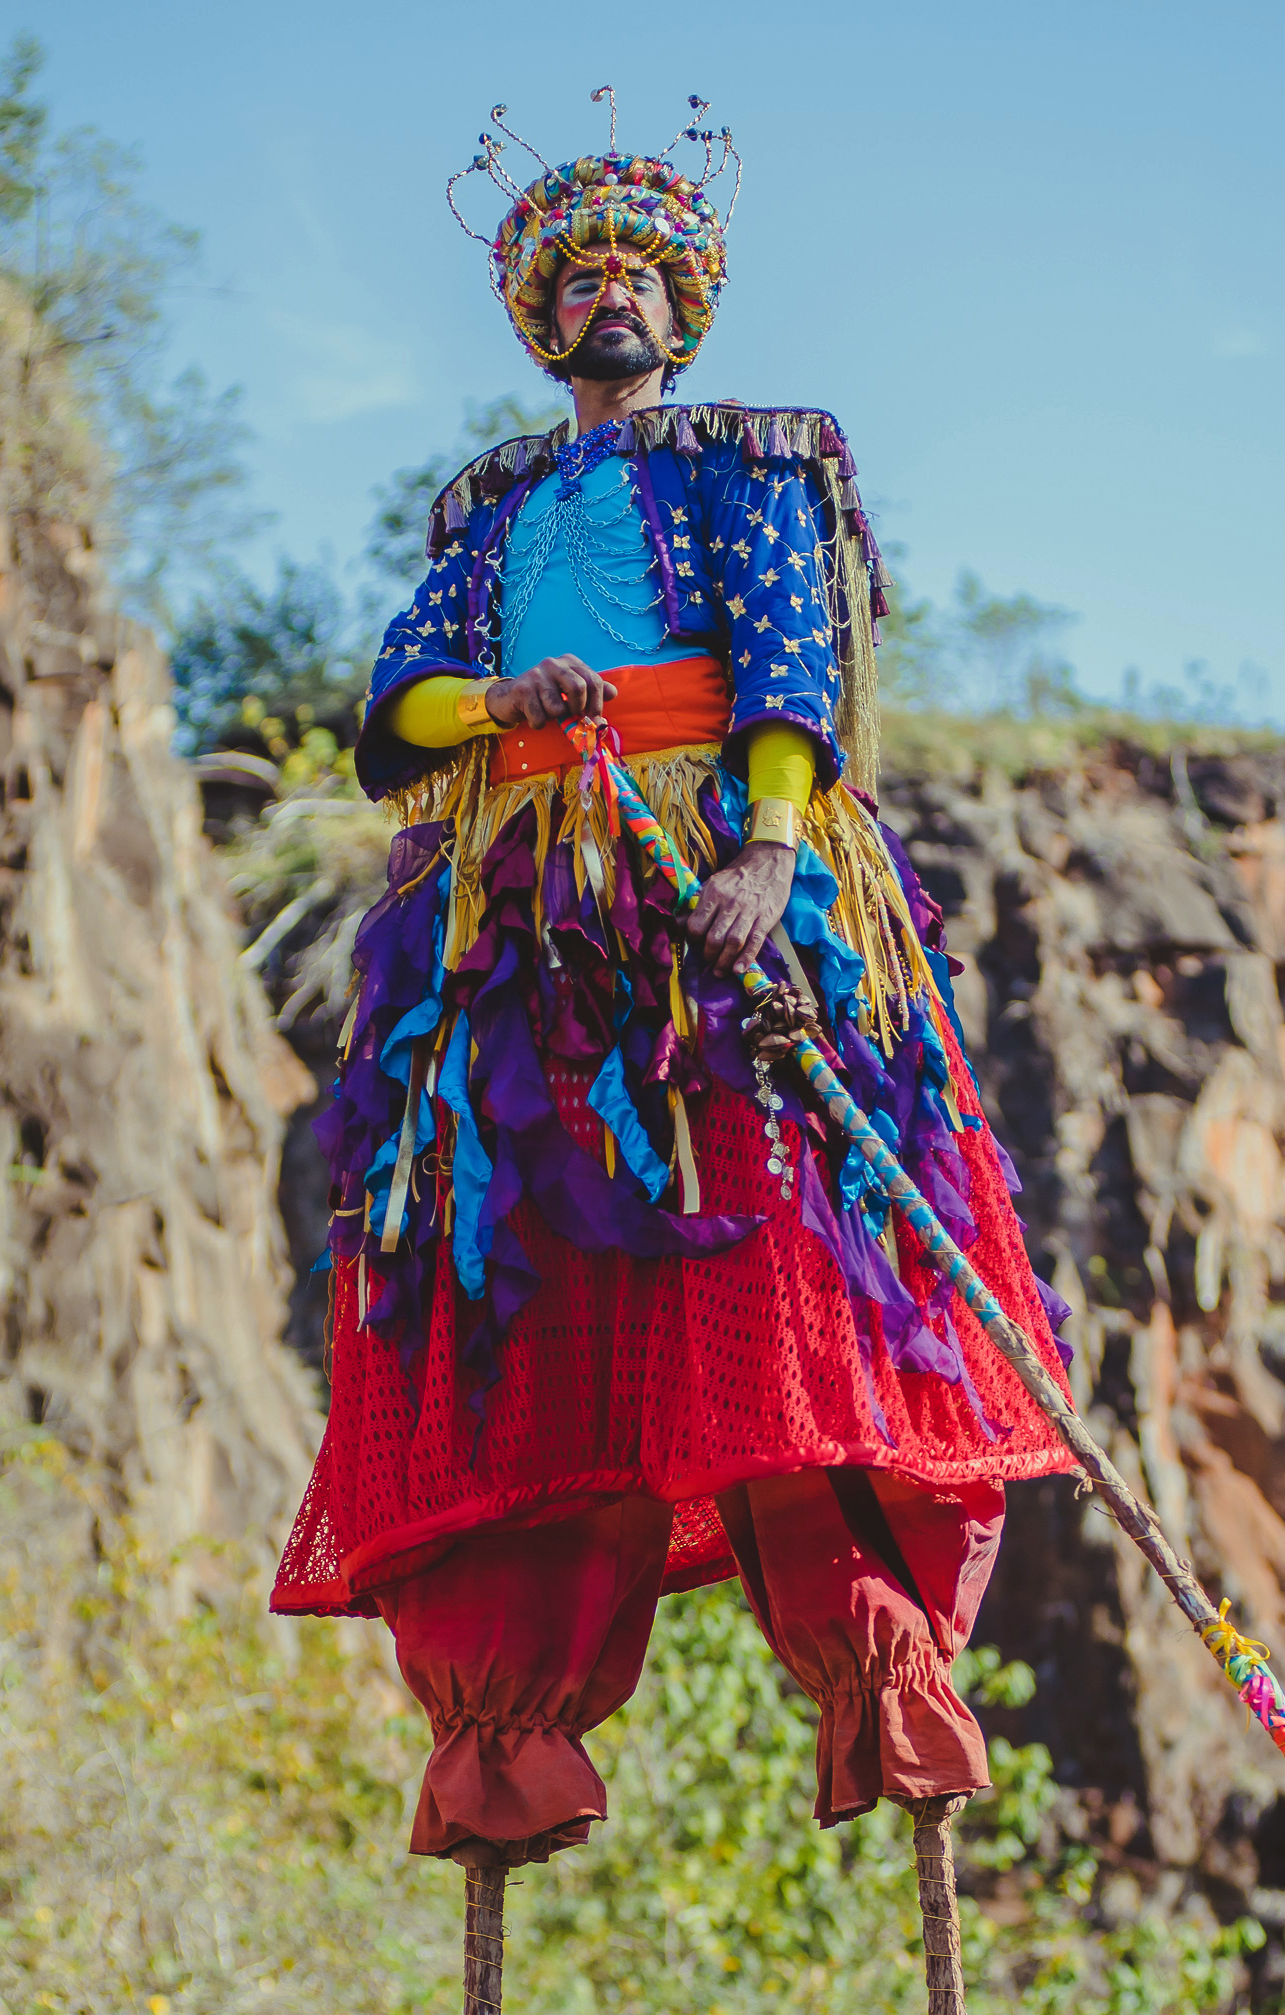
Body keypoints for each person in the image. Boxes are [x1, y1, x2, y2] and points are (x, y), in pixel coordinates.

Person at [270, 107, 1076, 1862]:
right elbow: (394, 714)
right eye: (581, 281)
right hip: (526, 906)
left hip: (710, 872)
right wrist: (507, 712)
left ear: (681, 310)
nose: (611, 295)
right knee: (528, 1285)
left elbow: (793, 660)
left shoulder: (755, 458)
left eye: (639, 272)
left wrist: (770, 858)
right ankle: (507, 1729)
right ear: (546, 326)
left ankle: (878, 1665)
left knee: (781, 1249)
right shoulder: (488, 506)